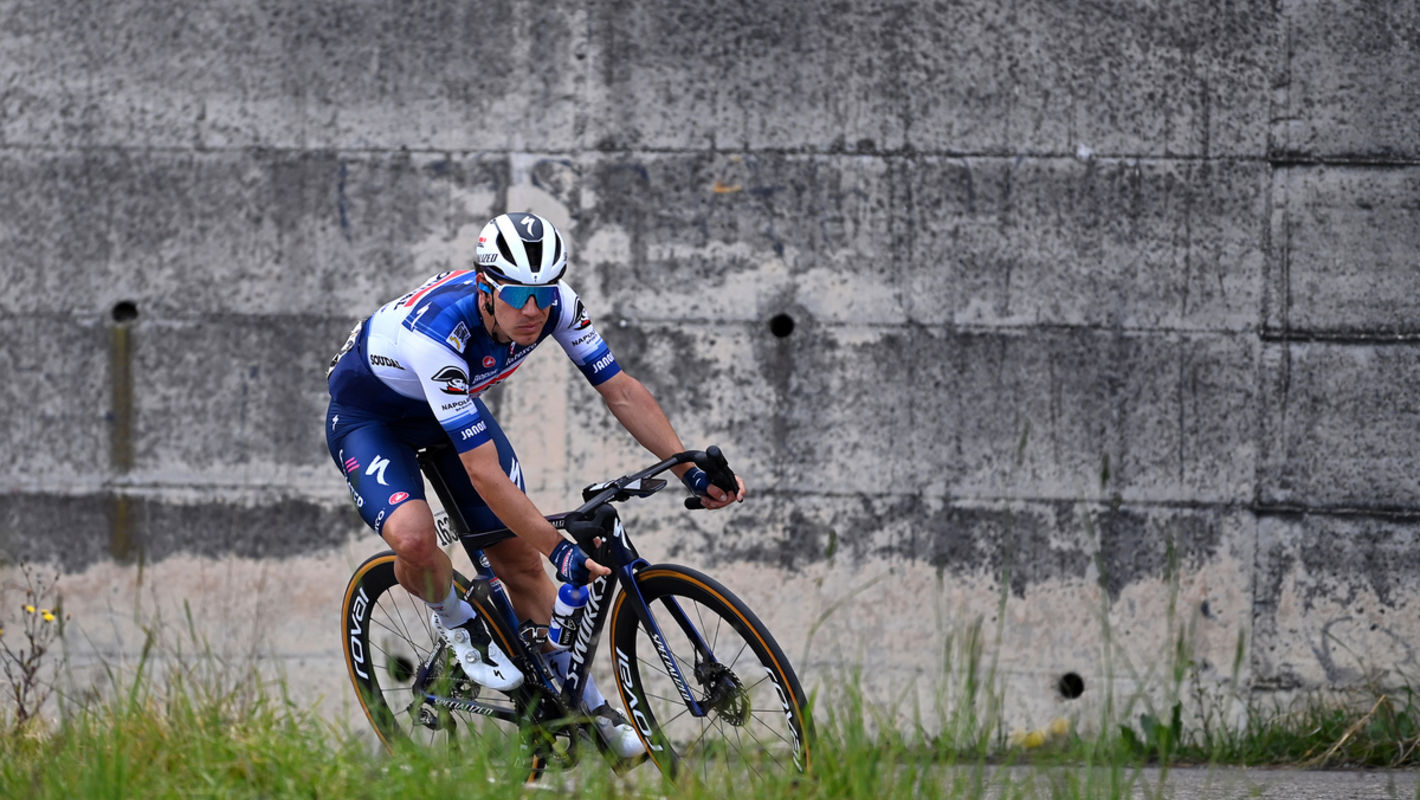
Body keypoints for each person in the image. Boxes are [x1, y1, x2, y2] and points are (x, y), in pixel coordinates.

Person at [324, 211, 745, 759]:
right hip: (371, 419)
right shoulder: (436, 336)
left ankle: (589, 711)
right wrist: (560, 550)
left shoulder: (557, 307)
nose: (532, 310)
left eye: (543, 293)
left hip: (450, 414)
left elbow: (618, 390)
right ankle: (456, 620)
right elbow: (483, 473)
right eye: (517, 294)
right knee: (414, 539)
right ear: (485, 288)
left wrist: (686, 466)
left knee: (520, 564)